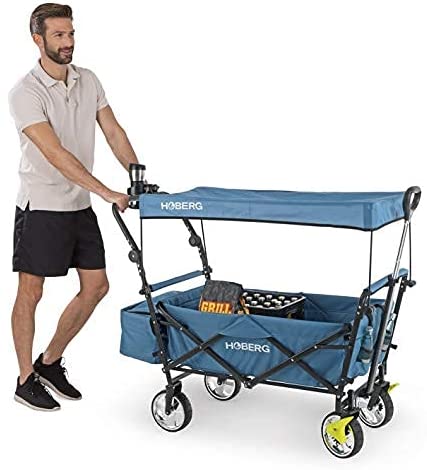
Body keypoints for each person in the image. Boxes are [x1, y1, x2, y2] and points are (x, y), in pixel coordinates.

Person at [8, 3, 138, 411]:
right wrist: (107, 192)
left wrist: (136, 174)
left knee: (96, 286)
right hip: (42, 206)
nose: (68, 42)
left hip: (78, 204)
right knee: (31, 292)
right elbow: (55, 154)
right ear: (38, 39)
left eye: (71, 33)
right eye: (59, 35)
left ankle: (49, 362)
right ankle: (25, 379)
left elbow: (112, 130)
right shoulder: (25, 93)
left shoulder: (88, 80)